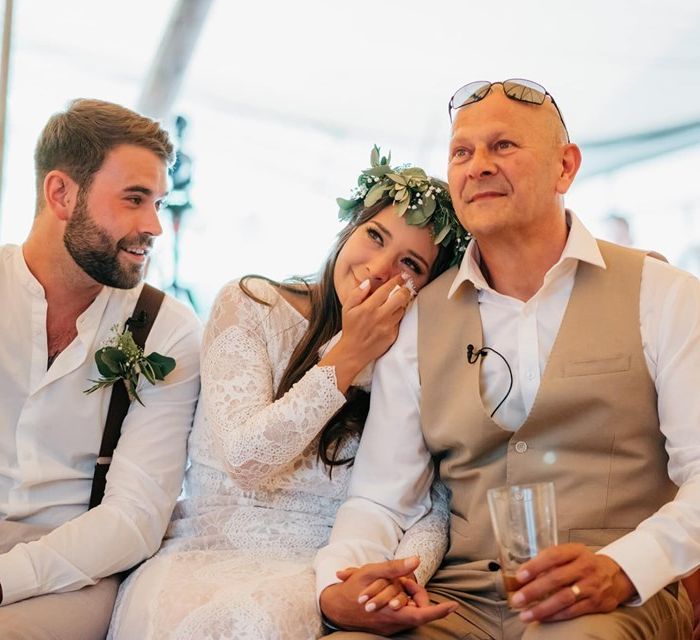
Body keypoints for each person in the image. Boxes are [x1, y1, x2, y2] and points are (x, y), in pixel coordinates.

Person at [316, 79, 700, 639]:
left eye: (504, 146)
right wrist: (337, 584)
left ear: (565, 168)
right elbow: (381, 495)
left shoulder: (664, 295)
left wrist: (625, 568)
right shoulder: (420, 318)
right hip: (458, 603)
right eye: (461, 152)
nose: (478, 167)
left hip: (611, 605)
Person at [107, 147, 467, 639]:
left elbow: (433, 504)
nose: (380, 267)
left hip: (315, 572)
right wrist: (348, 357)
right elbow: (247, 459)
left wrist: (399, 579)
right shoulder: (251, 303)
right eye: (374, 236)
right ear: (348, 231)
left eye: (410, 263)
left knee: (270, 621)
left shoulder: (416, 360)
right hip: (206, 557)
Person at [0, 99, 201, 639]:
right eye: (134, 199)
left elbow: (134, 517)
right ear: (61, 194)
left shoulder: (168, 329)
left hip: (73, 567)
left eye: (158, 202)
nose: (154, 225)